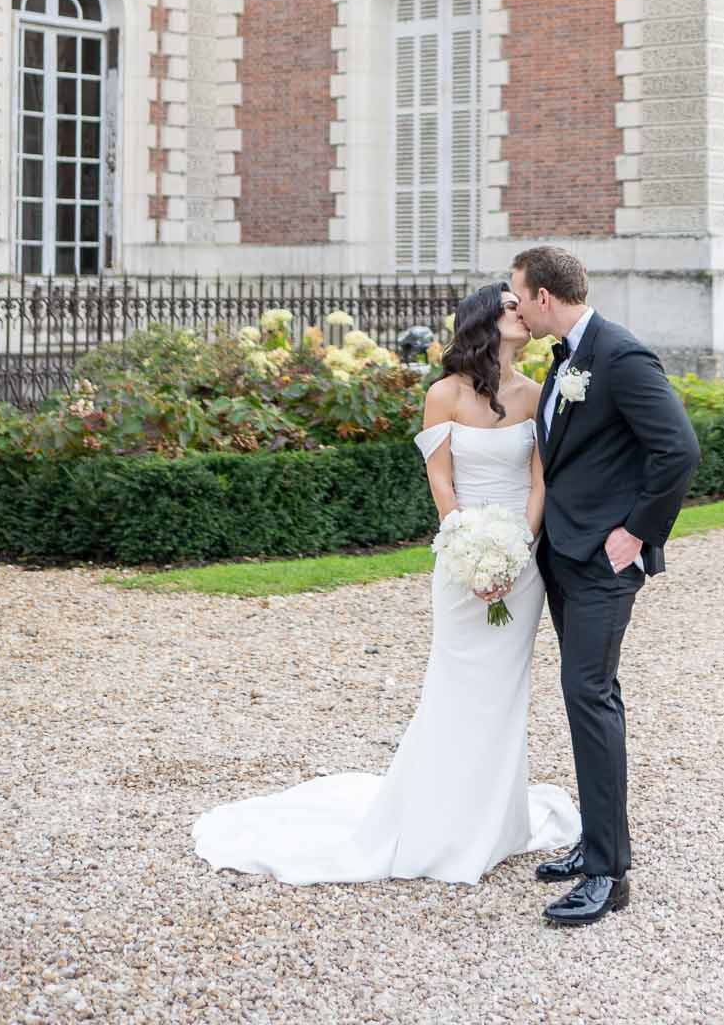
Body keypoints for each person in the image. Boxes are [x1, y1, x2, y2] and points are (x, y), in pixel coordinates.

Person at [192, 282, 578, 886]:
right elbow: (442, 483)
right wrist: (468, 551)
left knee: (507, 691)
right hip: (462, 558)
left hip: (520, 561)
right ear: (485, 319)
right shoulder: (442, 394)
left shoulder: (535, 395)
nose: (524, 313)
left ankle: (496, 821)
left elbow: (539, 486)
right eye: (511, 306)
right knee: (455, 682)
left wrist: (516, 554)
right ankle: (436, 816)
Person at [510, 245, 701, 927]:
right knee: (583, 696)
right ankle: (593, 842)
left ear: (542, 296)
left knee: (589, 697)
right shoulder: (566, 357)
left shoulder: (620, 356)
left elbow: (677, 449)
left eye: (517, 296)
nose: (516, 308)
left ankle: (607, 875)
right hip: (565, 553)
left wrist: (636, 532)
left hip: (602, 560)